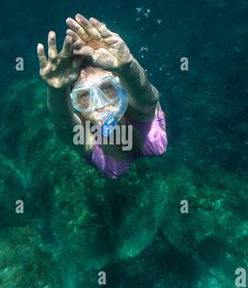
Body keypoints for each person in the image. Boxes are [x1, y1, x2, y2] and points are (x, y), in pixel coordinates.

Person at [37, 13, 167, 179]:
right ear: (74, 105)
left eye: (106, 88)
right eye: (84, 95)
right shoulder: (86, 136)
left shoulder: (144, 118)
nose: (100, 104)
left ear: (120, 85)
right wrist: (56, 91)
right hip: (111, 160)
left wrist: (127, 66)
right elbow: (64, 127)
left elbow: (147, 99)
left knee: (155, 139)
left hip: (136, 114)